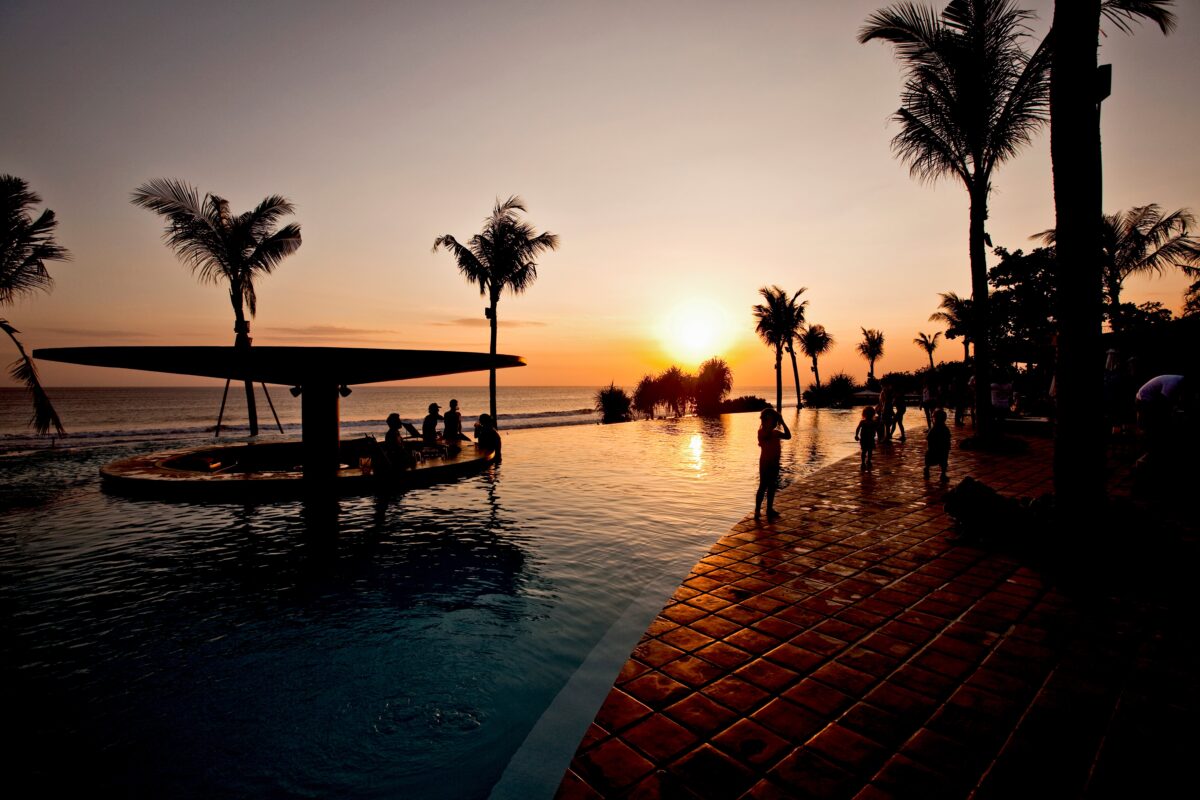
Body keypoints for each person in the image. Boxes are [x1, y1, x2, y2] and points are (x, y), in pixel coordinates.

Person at [755, 407, 791, 520]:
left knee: (772, 486)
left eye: (775, 421)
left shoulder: (775, 433)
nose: (775, 423)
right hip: (766, 462)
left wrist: (783, 422)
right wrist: (772, 420)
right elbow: (765, 438)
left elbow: (788, 436)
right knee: (763, 486)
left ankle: (769, 509)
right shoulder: (762, 432)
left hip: (775, 462)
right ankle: (757, 511)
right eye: (773, 421)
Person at [925, 408, 951, 481]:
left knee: (930, 461)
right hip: (941, 449)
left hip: (934, 449)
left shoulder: (934, 429)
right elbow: (947, 439)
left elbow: (928, 439)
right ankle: (942, 474)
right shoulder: (945, 429)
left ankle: (927, 469)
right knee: (943, 462)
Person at [855, 406, 878, 471]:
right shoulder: (872, 422)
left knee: (864, 451)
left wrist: (856, 435)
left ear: (864, 414)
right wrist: (856, 435)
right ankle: (867, 461)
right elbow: (877, 429)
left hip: (865, 439)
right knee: (868, 450)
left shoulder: (863, 422)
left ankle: (864, 462)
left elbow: (858, 428)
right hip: (868, 439)